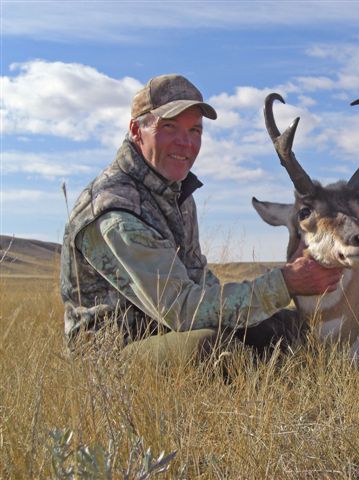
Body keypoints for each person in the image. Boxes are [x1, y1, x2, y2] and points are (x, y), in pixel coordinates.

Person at [60, 74, 342, 362]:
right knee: (211, 349)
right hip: (109, 357)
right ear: (136, 130)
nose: (185, 143)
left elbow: (201, 287)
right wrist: (285, 283)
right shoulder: (114, 210)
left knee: (286, 324)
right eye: (169, 127)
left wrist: (272, 308)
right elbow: (182, 310)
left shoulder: (177, 193)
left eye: (195, 130)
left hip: (165, 333)